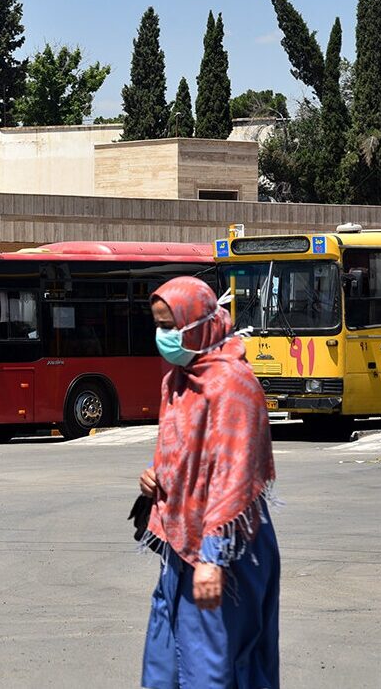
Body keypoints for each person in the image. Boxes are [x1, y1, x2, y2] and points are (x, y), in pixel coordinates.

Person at [138, 277, 279, 689]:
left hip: (229, 550)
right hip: (180, 547)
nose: (163, 337)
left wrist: (212, 558)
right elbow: (183, 456)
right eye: (158, 325)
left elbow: (234, 473)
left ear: (198, 325)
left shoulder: (234, 384)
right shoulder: (176, 381)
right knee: (166, 663)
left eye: (169, 326)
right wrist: (155, 478)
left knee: (213, 667)